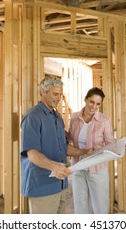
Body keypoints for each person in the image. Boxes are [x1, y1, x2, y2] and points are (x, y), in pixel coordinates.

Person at [20, 76, 92, 214]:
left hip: (60, 184)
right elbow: (32, 153)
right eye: (55, 94)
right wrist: (55, 166)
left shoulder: (57, 117)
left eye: (60, 94)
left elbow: (64, 147)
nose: (59, 98)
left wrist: (85, 152)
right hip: (42, 186)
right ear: (43, 92)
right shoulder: (33, 117)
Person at [68, 87, 114, 214]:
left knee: (100, 207)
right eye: (91, 102)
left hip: (97, 169)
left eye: (98, 104)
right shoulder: (74, 118)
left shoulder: (104, 120)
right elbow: (70, 139)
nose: (94, 106)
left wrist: (118, 146)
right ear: (86, 99)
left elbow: (110, 144)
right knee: (79, 205)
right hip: (78, 167)